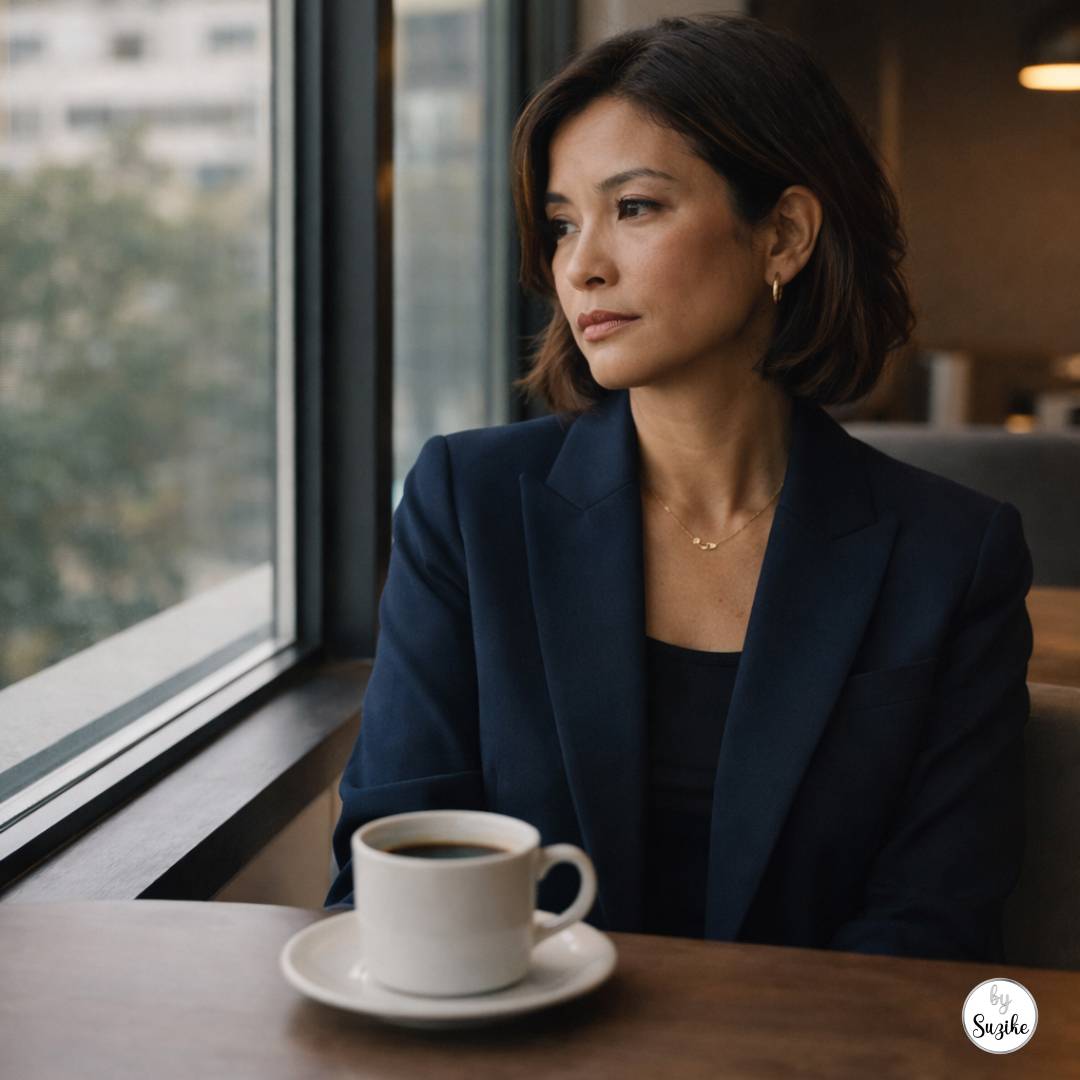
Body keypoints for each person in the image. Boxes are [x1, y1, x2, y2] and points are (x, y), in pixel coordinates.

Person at [325, 13, 1033, 964]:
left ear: (783, 234)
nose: (580, 266)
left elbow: (932, 930)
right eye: (563, 223)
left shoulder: (952, 555)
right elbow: (393, 863)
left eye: (637, 207)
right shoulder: (470, 504)